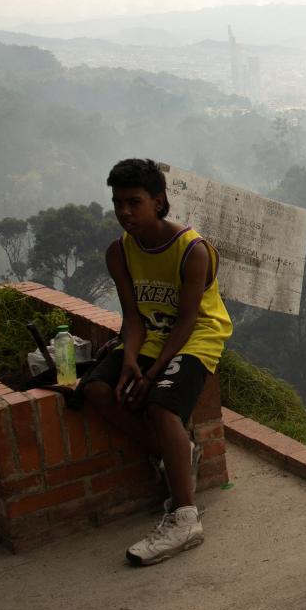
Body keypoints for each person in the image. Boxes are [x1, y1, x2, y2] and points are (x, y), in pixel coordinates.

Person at [79, 158, 232, 565]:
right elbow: (132, 315)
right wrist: (130, 360)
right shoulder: (120, 252)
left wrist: (150, 373)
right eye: (118, 203)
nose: (125, 212)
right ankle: (175, 454)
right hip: (149, 335)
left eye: (134, 202)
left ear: (158, 201)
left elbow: (186, 321)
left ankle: (184, 518)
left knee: (161, 405)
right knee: (95, 389)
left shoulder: (192, 250)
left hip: (197, 338)